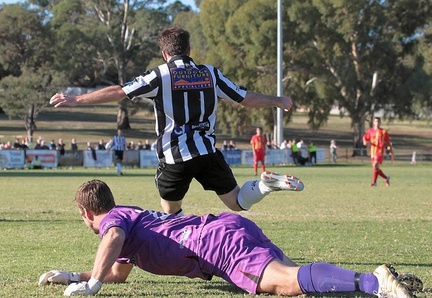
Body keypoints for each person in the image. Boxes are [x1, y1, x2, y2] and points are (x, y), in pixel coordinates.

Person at [49, 25, 302, 215]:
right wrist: (278, 100)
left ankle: (186, 250)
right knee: (237, 202)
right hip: (207, 152)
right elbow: (244, 98)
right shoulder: (210, 73)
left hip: (175, 157)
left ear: (164, 52)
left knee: (170, 211)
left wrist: (76, 100)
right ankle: (265, 186)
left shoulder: (160, 75)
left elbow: (119, 91)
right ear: (189, 50)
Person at [38, 179, 419, 298]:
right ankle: (374, 283)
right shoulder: (130, 225)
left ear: (87, 213)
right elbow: (117, 273)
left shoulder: (116, 222)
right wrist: (76, 276)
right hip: (223, 229)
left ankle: (376, 283)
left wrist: (90, 285)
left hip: (213, 245)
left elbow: (113, 237)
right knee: (289, 276)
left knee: (286, 283)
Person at [362, 117, 391, 187]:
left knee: (375, 165)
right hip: (372, 152)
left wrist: (387, 147)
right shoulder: (370, 131)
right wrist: (365, 142)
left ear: (380, 123)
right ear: (373, 123)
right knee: (376, 168)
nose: (377, 123)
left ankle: (374, 182)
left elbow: (388, 142)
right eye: (375, 121)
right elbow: (365, 138)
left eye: (378, 121)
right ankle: (386, 178)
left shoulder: (383, 132)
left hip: (380, 151)